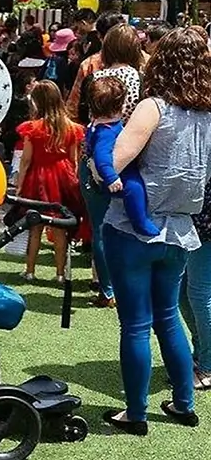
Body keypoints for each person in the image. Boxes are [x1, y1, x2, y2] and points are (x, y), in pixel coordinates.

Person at [101, 27, 211, 435]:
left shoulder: (153, 107)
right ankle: (183, 403)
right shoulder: (207, 114)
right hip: (182, 230)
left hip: (134, 229)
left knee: (135, 324)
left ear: (160, 61)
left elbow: (111, 161)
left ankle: (136, 412)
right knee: (168, 317)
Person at [77, 23, 144, 306]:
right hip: (128, 157)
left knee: (100, 227)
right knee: (131, 223)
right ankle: (129, 282)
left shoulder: (96, 76)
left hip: (93, 157)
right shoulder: (137, 77)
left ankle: (107, 288)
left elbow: (83, 113)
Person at [15, 80, 84, 282]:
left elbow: (26, 160)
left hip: (37, 177)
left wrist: (19, 184)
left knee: (35, 225)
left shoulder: (32, 128)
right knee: (60, 227)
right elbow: (74, 160)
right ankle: (60, 274)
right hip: (63, 177)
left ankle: (30, 270)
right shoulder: (71, 128)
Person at [85, 77, 158, 237]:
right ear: (119, 107)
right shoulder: (106, 131)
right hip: (118, 175)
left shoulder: (97, 124)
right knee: (134, 188)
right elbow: (101, 157)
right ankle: (140, 222)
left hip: (112, 172)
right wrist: (111, 177)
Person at [180, 179, 211, 391]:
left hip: (205, 223)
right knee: (182, 293)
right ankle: (200, 353)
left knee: (199, 294)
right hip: (192, 220)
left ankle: (208, 367)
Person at [66, 11, 126, 120]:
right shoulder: (142, 61)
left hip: (96, 127)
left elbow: (74, 105)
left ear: (99, 35)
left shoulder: (90, 64)